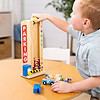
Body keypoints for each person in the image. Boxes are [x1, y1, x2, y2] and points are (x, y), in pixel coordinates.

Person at [33, 0, 100, 99]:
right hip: (88, 88)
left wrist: (70, 87)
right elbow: (66, 26)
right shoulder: (86, 32)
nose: (70, 14)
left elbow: (97, 80)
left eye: (74, 13)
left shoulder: (94, 46)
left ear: (85, 22)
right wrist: (48, 17)